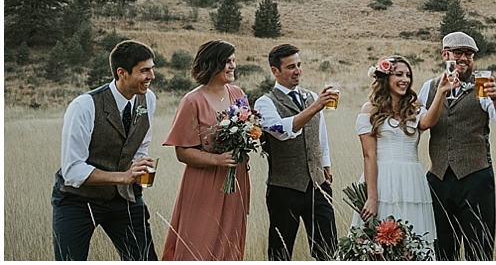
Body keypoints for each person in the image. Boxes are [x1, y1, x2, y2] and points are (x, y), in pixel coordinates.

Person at [52, 40, 158, 261]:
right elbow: (72, 170)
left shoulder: (148, 99)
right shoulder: (83, 106)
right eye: (144, 70)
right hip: (77, 201)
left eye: (152, 69)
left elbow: (140, 146)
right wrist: (124, 176)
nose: (151, 76)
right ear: (122, 73)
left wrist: (138, 167)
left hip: (124, 199)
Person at [419, 31, 496, 261]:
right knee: (442, 249)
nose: (464, 58)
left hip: (476, 179)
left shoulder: (482, 87)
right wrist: (441, 93)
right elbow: (420, 124)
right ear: (445, 54)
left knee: (479, 249)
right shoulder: (429, 88)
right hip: (439, 179)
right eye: (459, 53)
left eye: (469, 55)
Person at [352, 55, 453, 254]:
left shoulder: (414, 108)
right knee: (378, 243)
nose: (405, 79)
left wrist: (441, 92)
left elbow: (427, 123)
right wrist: (371, 197)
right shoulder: (370, 110)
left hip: (412, 182)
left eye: (408, 75)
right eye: (399, 74)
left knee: (413, 241)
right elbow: (369, 156)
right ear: (385, 78)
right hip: (382, 181)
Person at [161, 40, 252, 260]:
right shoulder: (192, 101)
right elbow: (182, 152)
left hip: (235, 181)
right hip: (204, 183)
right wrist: (217, 160)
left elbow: (249, 130)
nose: (233, 66)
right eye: (227, 61)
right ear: (212, 64)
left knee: (229, 244)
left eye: (233, 61)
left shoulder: (237, 93)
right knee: (198, 243)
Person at [254, 44, 338, 260]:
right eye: (290, 67)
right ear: (275, 70)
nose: (297, 70)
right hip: (284, 188)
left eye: (299, 65)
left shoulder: (310, 96)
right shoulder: (264, 103)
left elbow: (320, 136)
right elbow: (282, 131)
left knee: (328, 251)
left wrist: (325, 166)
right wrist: (315, 107)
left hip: (318, 187)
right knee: (280, 254)